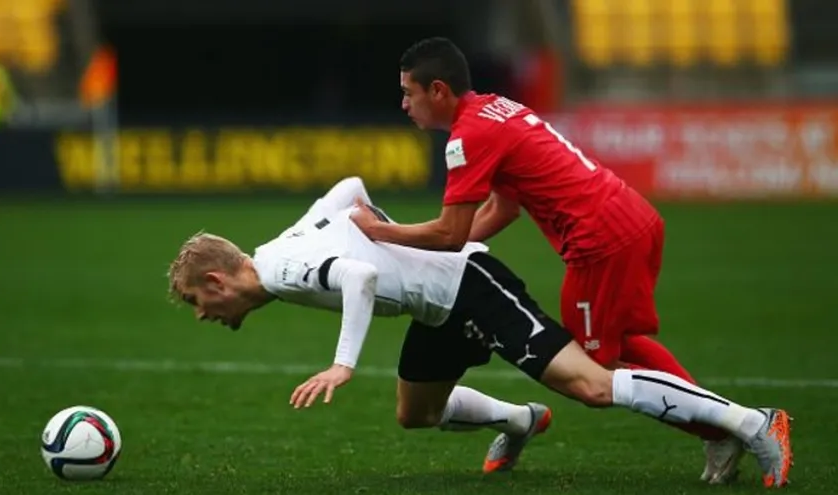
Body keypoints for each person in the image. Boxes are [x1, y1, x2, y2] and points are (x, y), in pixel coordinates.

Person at [167, 177, 792, 488]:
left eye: (199, 302)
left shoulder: (279, 268)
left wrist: (344, 364)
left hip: (470, 284)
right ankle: (519, 420)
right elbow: (351, 190)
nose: (203, 315)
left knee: (592, 386)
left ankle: (751, 423)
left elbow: (356, 276)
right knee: (416, 413)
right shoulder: (281, 246)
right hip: (435, 305)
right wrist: (391, 244)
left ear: (220, 282)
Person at [348, 37, 745, 484]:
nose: (403, 104)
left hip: (601, 242)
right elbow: (502, 209)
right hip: (633, 217)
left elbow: (450, 232)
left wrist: (381, 232)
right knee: (617, 346)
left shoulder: (468, 136)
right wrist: (435, 248)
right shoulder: (495, 108)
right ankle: (723, 427)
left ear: (438, 90)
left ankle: (732, 426)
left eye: (408, 93)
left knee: (594, 371)